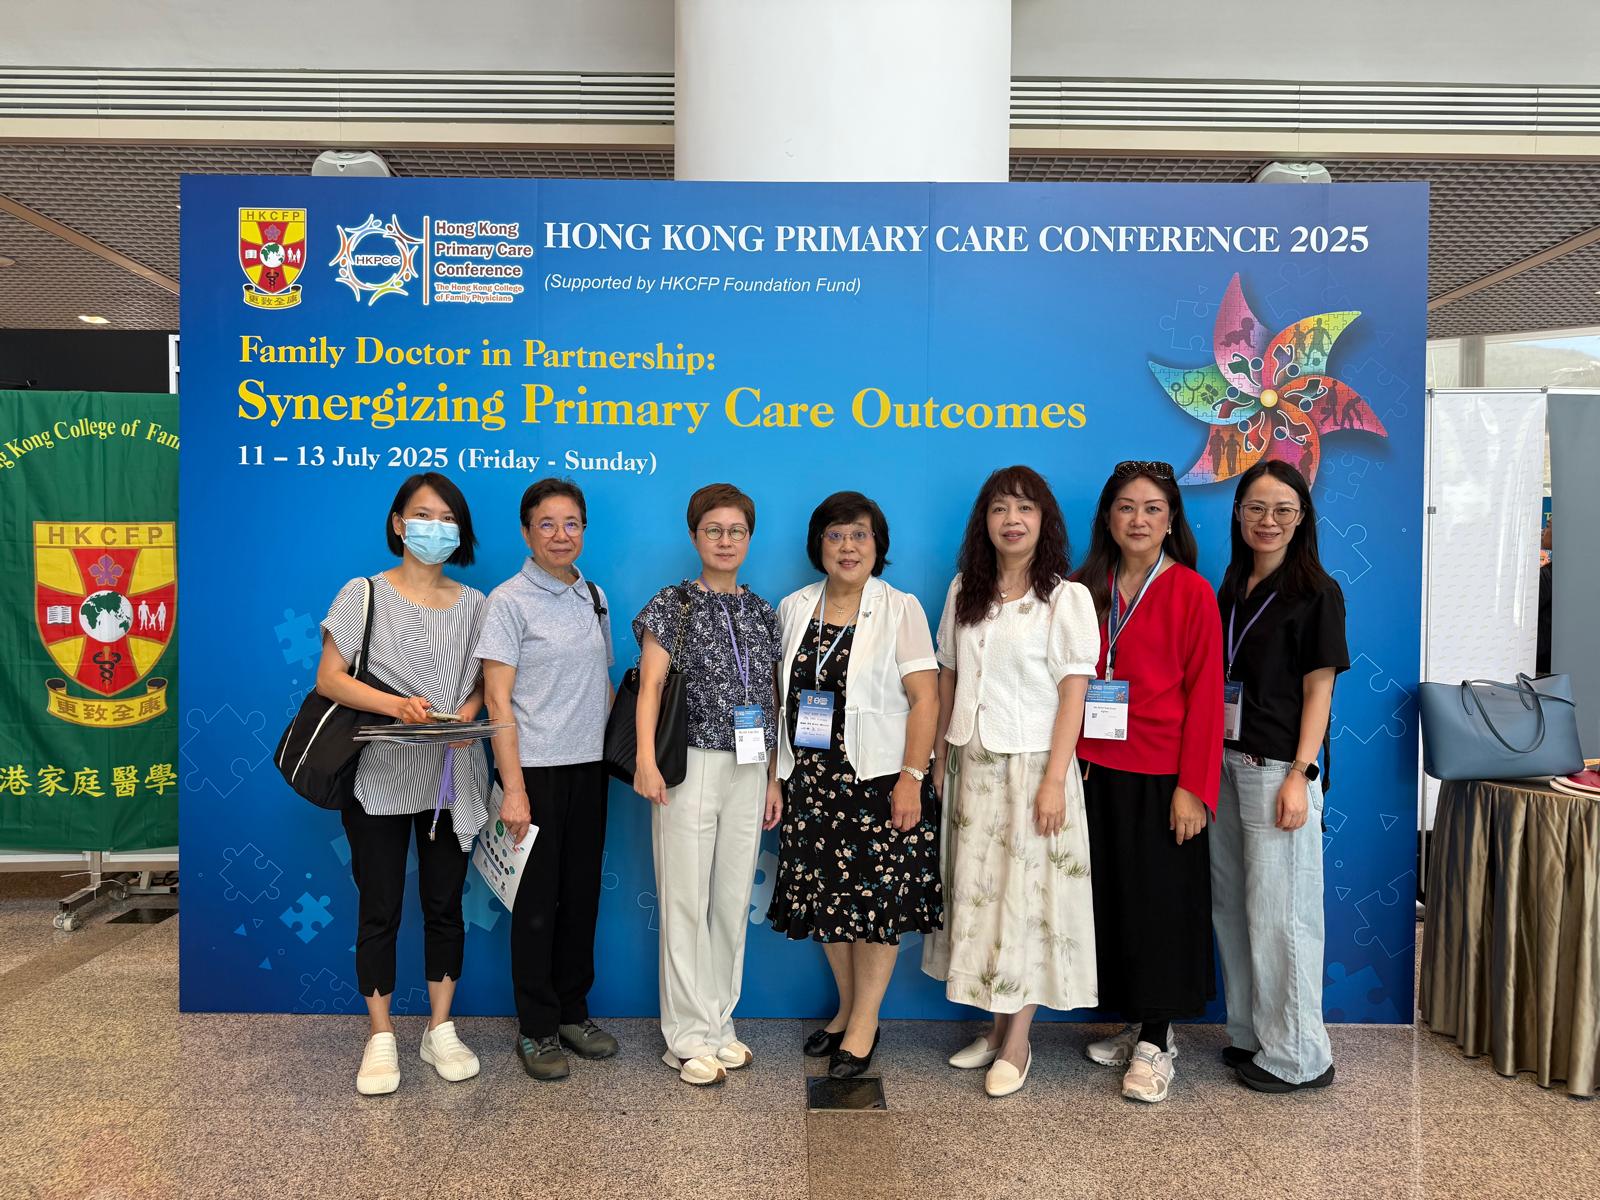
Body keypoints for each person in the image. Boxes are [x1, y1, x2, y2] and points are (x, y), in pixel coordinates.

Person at [921, 466, 1099, 1098]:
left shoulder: (1067, 599)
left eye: (1024, 508)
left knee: (1025, 900)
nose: (1012, 520)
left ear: (1044, 520)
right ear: (985, 522)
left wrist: (1054, 779)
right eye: (1000, 509)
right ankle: (996, 1029)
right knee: (982, 898)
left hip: (1031, 769)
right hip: (971, 765)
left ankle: (1019, 1042)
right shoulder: (964, 589)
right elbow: (947, 674)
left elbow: (1074, 693)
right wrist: (939, 755)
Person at [315, 472, 490, 1096]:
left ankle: (439, 1028)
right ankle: (381, 1034)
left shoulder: (477, 605)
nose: (435, 528)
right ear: (398, 523)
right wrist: (396, 707)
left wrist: (467, 713)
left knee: (445, 905)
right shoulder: (362, 593)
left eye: (448, 519)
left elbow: (485, 682)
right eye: (423, 515)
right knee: (380, 905)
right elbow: (329, 678)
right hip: (379, 779)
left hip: (452, 779)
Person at [768, 491, 943, 1079]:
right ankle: (846, 1010)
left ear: (878, 545)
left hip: (880, 782)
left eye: (860, 535)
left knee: (874, 906)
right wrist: (776, 775)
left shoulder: (900, 608)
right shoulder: (795, 607)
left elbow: (925, 699)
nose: (848, 546)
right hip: (811, 781)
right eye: (836, 534)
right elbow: (777, 700)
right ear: (818, 545)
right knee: (828, 903)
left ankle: (865, 1023)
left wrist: (912, 778)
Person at [1075, 460, 1223, 1104]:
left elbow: (1207, 696)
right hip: (1093, 769)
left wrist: (1194, 787)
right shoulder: (1083, 588)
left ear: (1170, 521)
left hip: (1163, 776)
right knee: (1113, 904)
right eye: (1127, 507)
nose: (1138, 519)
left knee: (1162, 908)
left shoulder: (1191, 591)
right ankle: (1138, 1022)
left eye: (1153, 508)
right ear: (1108, 517)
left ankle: (1159, 1042)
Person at [631, 483, 784, 1086]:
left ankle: (720, 1024)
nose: (726, 541)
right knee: (685, 900)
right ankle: (686, 1036)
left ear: (750, 538)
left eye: (736, 531)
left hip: (749, 766)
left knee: (730, 901)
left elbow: (772, 699)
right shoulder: (672, 604)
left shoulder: (763, 612)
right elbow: (650, 688)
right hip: (687, 764)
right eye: (713, 530)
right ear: (695, 536)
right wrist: (647, 761)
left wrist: (772, 777)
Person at [1211, 460, 1349, 1092]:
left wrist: (1301, 773)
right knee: (1235, 908)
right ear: (1239, 514)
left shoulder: (1317, 592)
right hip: (1225, 762)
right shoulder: (1232, 586)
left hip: (1277, 771)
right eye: (1256, 508)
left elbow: (1320, 692)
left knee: (1282, 915)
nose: (1268, 521)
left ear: (1301, 518)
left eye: (1283, 510)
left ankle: (1298, 1057)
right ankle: (1251, 1034)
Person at [476, 478, 618, 1082]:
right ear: (527, 532)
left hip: (590, 768)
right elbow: (496, 699)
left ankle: (572, 1013)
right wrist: (513, 788)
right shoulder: (508, 601)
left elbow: (602, 684)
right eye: (548, 524)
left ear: (584, 530)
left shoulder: (594, 596)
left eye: (572, 524)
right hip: (532, 770)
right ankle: (536, 1027)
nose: (561, 535)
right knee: (536, 903)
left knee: (581, 896)